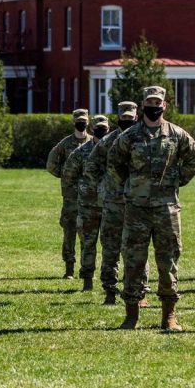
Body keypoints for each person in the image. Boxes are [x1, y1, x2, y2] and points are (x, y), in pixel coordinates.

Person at [108, 86, 195, 331]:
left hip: (166, 209)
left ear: (164, 105)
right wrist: (130, 184)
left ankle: (169, 316)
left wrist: (178, 179)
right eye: (149, 101)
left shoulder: (177, 134)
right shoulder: (129, 136)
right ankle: (131, 316)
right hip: (136, 207)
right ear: (143, 104)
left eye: (157, 101)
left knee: (168, 261)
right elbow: (114, 162)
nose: (154, 105)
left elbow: (194, 157)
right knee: (133, 260)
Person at [82, 101, 147, 305]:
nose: (127, 120)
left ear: (136, 117)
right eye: (124, 117)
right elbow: (91, 167)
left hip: (137, 203)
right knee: (110, 248)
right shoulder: (107, 141)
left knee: (137, 249)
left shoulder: (145, 140)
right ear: (118, 117)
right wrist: (105, 186)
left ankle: (140, 292)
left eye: (131, 117)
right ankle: (110, 291)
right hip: (113, 204)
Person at [62, 115, 109, 291]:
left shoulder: (114, 150)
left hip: (109, 206)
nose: (101, 132)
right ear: (92, 129)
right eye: (98, 129)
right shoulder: (81, 152)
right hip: (88, 207)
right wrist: (81, 190)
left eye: (104, 129)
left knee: (110, 245)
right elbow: (68, 174)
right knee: (88, 244)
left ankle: (108, 282)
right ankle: (87, 281)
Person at [47, 109, 91, 279]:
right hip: (71, 197)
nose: (82, 124)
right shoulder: (65, 144)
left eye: (84, 121)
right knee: (69, 232)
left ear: (88, 122)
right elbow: (51, 164)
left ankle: (87, 268)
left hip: (89, 197)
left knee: (87, 234)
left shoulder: (93, 143)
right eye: (79, 121)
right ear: (74, 122)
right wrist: (65, 175)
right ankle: (69, 269)